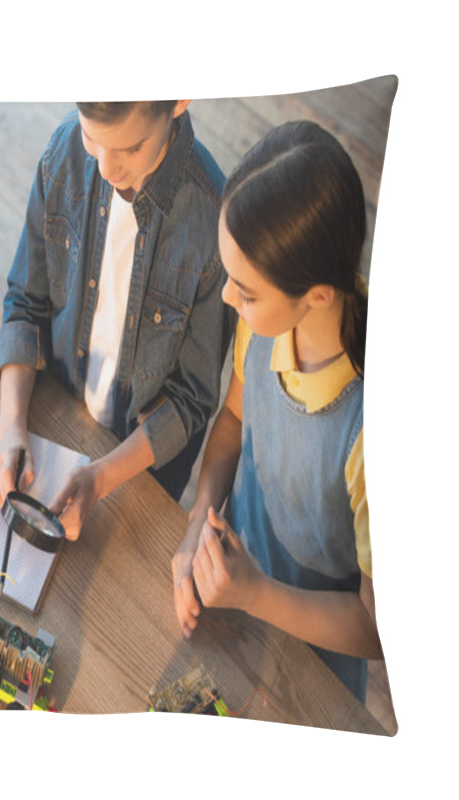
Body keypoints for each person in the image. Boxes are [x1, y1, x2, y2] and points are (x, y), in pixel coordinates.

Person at [171, 120, 383, 702]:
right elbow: (234, 424)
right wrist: (197, 525)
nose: (226, 298)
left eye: (246, 289)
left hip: (315, 650)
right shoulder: (262, 326)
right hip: (235, 583)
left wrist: (258, 594)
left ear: (316, 295)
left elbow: (380, 628)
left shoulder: (371, 432)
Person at [0, 101, 235, 539]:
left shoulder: (214, 224)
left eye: (131, 148)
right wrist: (10, 426)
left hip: (139, 474)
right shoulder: (64, 151)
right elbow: (26, 299)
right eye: (92, 138)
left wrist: (101, 477)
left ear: (178, 101)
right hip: (53, 415)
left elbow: (191, 401)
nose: (105, 167)